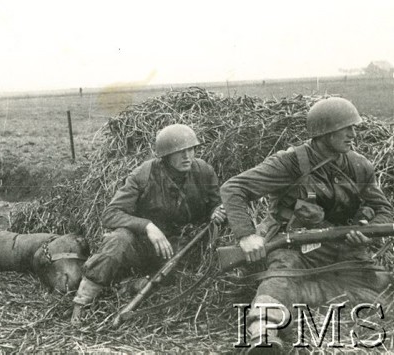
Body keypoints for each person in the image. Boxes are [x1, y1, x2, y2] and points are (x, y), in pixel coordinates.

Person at [221, 97, 393, 351]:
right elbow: (234, 188)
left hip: (344, 252)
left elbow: (384, 210)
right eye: (345, 128)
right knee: (278, 281)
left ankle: (311, 295)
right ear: (324, 132)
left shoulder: (359, 165)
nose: (353, 134)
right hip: (296, 250)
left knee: (383, 285)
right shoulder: (289, 164)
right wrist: (247, 236)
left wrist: (367, 231)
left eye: (353, 128)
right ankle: (263, 335)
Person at [71, 123, 226, 324]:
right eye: (180, 152)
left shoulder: (204, 171)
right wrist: (147, 226)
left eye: (191, 149)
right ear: (166, 156)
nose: (187, 156)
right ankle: (82, 302)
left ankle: (127, 286)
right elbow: (110, 214)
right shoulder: (144, 174)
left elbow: (216, 203)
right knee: (117, 240)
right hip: (142, 244)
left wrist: (217, 211)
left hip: (179, 245)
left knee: (185, 274)